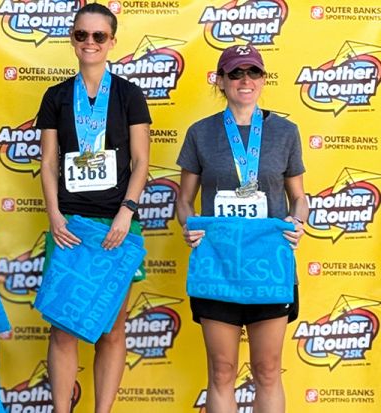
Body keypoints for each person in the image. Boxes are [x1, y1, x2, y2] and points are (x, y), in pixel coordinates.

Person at [176, 44, 307, 413]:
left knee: (267, 370)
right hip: (218, 265)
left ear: (263, 79)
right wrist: (188, 225)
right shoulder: (200, 133)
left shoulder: (286, 132)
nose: (244, 80)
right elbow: (184, 199)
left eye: (253, 72)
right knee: (221, 371)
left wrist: (298, 222)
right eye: (235, 73)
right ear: (220, 81)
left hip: (269, 265)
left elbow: (299, 197)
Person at [36, 4, 151, 413]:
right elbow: (47, 162)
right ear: (72, 39)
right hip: (70, 224)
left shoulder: (128, 94)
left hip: (117, 223)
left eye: (99, 36)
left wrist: (127, 211)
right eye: (82, 34)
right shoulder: (55, 96)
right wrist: (54, 215)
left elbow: (141, 161)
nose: (90, 42)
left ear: (112, 42)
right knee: (63, 328)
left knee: (112, 329)